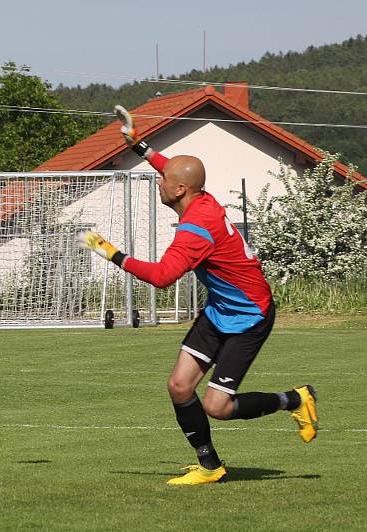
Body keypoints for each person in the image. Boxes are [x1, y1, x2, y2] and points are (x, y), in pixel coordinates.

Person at [80, 125, 319, 485]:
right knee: (179, 387)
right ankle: (210, 467)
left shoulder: (195, 230)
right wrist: (141, 147)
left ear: (179, 191)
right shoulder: (200, 196)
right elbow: (174, 170)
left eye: (163, 182)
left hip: (250, 316)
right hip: (219, 310)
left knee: (216, 407)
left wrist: (112, 253)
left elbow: (162, 277)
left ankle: (295, 399)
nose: (158, 183)